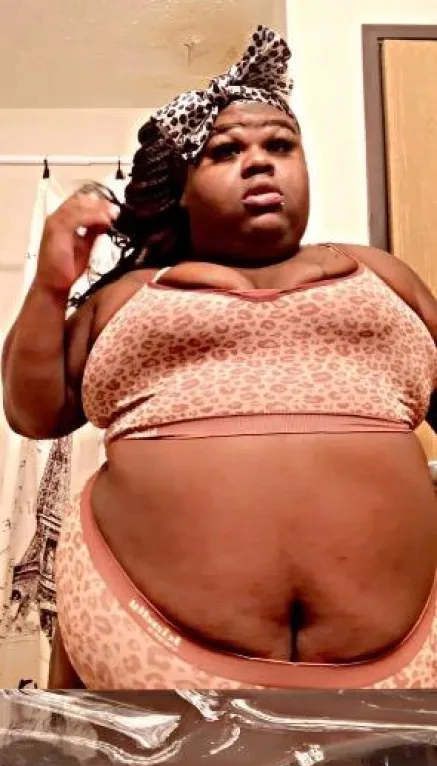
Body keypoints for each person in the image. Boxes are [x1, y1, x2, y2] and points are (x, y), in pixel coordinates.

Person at [3, 25, 437, 690]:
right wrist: (50, 286)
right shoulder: (128, 297)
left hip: (402, 656)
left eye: (279, 146)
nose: (259, 162)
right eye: (226, 151)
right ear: (180, 188)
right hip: (148, 642)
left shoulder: (382, 277)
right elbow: (33, 414)